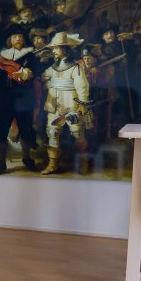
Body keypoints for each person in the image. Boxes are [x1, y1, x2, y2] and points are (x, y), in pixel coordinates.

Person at [0, 30, 39, 174]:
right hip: (4, 100)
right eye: (15, 36)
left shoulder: (30, 55)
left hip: (23, 98)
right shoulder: (2, 57)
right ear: (10, 40)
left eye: (20, 37)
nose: (18, 39)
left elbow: (34, 72)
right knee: (1, 131)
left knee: (25, 130)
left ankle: (27, 158)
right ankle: (1, 163)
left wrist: (25, 74)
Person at [40, 32, 91, 175]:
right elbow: (43, 77)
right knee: (52, 132)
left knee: (77, 133)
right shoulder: (52, 67)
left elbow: (82, 87)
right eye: (53, 48)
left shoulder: (76, 67)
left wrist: (82, 104)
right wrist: (49, 83)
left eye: (57, 48)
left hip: (71, 105)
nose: (54, 51)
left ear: (65, 49)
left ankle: (83, 161)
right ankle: (53, 164)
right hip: (54, 104)